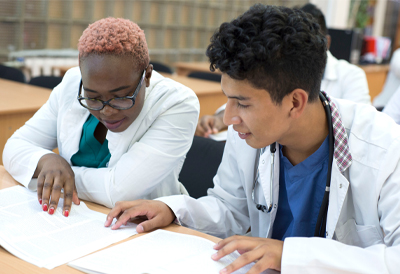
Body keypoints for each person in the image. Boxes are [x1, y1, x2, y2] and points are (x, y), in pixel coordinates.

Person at [105, 5, 400, 274]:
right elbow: (229, 209)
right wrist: (173, 209)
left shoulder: (384, 149)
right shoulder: (249, 134)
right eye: (228, 100)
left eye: (242, 104)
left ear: (295, 103)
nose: (230, 117)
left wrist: (290, 256)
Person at [2, 18, 199, 216]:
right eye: (93, 98)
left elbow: (119, 191)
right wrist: (46, 160)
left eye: (122, 97)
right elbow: (14, 146)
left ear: (146, 76)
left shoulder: (177, 103)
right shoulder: (72, 84)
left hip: (141, 228)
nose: (107, 111)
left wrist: (53, 174)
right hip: (78, 218)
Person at [195, 3, 371, 138]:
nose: (229, 119)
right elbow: (248, 96)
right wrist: (218, 118)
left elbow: (356, 127)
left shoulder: (351, 75)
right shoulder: (248, 133)